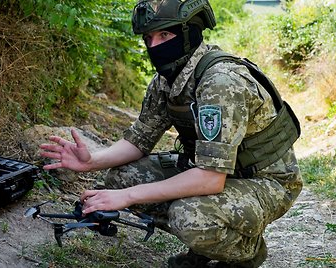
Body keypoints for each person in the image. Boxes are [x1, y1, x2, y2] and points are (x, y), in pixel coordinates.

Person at [39, 0, 303, 267]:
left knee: (189, 216)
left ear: (190, 33)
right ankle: (207, 245)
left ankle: (247, 250)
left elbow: (211, 179)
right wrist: (91, 161)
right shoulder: (168, 79)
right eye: (148, 38)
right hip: (218, 173)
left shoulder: (220, 83)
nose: (154, 46)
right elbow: (139, 139)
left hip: (265, 181)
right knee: (122, 177)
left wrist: (128, 197)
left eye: (164, 35)